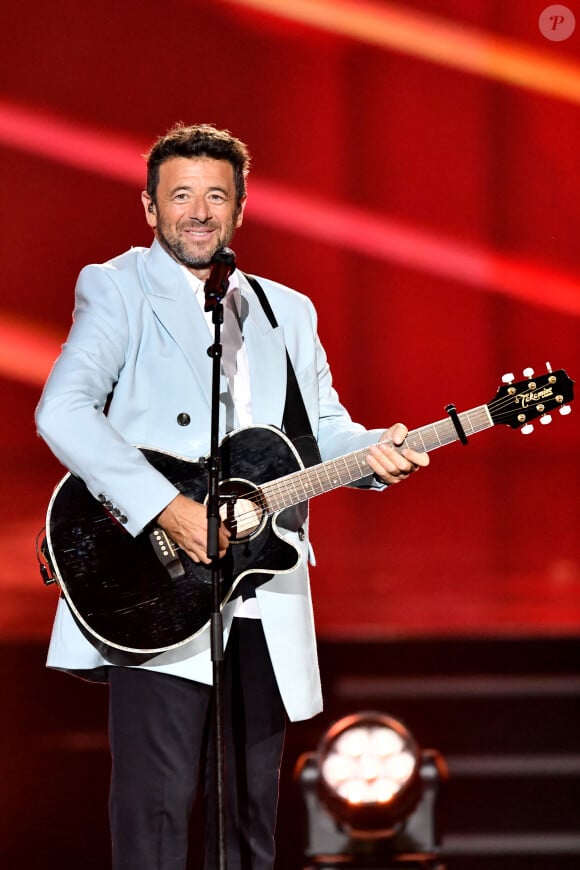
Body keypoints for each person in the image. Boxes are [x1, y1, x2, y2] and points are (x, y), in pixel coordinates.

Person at [35, 123, 429, 870]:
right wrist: (166, 508)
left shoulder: (288, 310)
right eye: (180, 194)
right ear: (150, 207)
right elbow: (63, 410)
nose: (198, 212)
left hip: (261, 589)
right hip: (161, 586)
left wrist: (377, 454)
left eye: (217, 196)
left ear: (241, 209)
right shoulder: (119, 287)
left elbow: (325, 435)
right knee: (154, 818)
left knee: (248, 824)